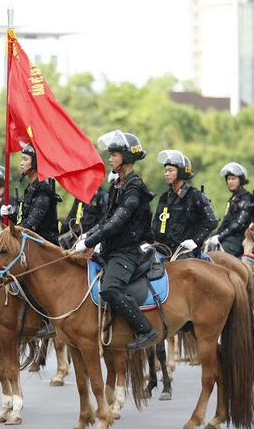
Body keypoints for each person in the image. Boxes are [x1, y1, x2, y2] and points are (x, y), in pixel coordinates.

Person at [73, 130, 158, 351]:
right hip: (111, 249)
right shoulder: (117, 186)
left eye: (114, 154)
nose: (109, 158)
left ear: (127, 158)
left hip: (127, 251)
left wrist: (89, 243)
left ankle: (145, 330)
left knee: (110, 289)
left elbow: (116, 225)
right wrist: (88, 236)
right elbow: (105, 219)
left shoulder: (134, 188)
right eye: (110, 154)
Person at [0, 143, 61, 337]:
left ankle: (48, 317)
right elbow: (24, 221)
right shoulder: (31, 188)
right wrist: (9, 215)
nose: (21, 163)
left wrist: (13, 230)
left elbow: (31, 224)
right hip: (30, 246)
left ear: (36, 163)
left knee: (27, 281)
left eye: (25, 159)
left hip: (43, 247)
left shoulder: (43, 191)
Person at [151, 150, 218, 259]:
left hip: (186, 251)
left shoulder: (195, 196)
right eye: (165, 170)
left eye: (170, 170)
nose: (166, 174)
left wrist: (195, 241)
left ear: (181, 172)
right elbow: (155, 226)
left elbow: (212, 222)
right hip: (164, 249)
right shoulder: (164, 197)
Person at [207, 162, 254, 258]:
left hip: (239, 240)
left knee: (215, 258)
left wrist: (220, 236)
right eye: (229, 179)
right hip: (228, 237)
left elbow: (238, 224)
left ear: (241, 180)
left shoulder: (247, 199)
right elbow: (226, 221)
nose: (230, 182)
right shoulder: (234, 198)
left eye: (233, 179)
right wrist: (215, 236)